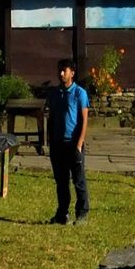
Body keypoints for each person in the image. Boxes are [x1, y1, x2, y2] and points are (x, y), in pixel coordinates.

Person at [46, 56, 90, 224]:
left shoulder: (80, 93)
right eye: (60, 70)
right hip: (58, 144)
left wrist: (79, 143)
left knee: (78, 180)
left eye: (65, 70)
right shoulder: (55, 94)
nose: (61, 73)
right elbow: (51, 117)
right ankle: (62, 213)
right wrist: (50, 140)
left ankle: (82, 213)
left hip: (73, 143)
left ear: (72, 73)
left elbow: (84, 119)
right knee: (61, 182)